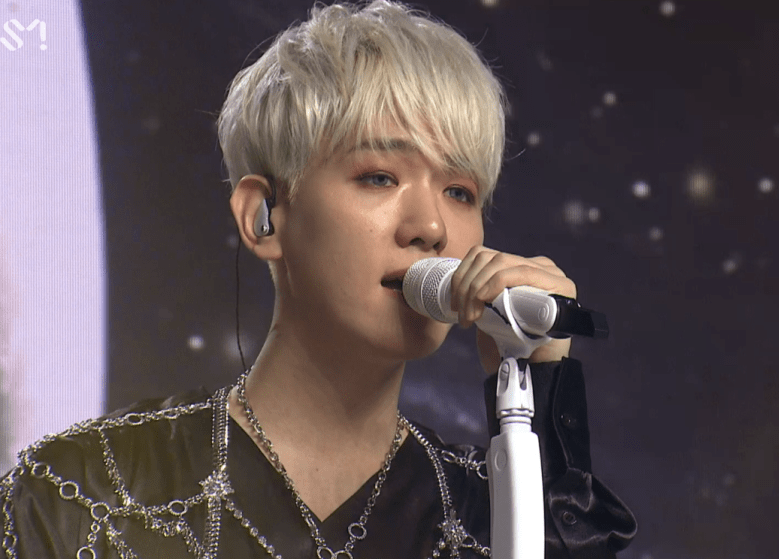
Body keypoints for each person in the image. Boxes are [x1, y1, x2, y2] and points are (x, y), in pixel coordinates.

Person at [0, 1, 636, 557]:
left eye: (460, 192)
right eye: (379, 177)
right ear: (264, 217)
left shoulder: (491, 515)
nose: (431, 227)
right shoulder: (81, 493)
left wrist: (541, 395)